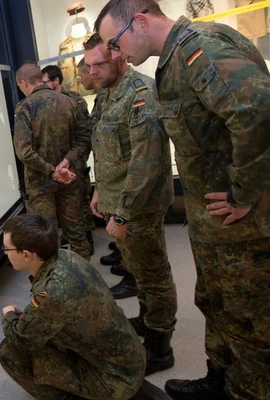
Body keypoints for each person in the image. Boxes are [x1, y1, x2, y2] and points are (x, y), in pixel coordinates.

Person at [95, 1, 270, 399]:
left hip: (246, 221)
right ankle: (221, 380)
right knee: (216, 302)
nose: (114, 54)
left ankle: (254, 393)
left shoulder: (200, 50)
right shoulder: (176, 58)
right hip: (213, 220)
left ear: (139, 22)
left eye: (114, 42)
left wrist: (243, 193)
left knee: (249, 320)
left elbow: (266, 114)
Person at [82, 32, 177, 375]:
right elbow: (107, 152)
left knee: (153, 275)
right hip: (118, 200)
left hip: (139, 207)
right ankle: (149, 321)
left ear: (120, 57)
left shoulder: (140, 94)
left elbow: (145, 162)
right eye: (88, 65)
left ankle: (160, 346)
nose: (91, 72)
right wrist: (99, 192)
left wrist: (121, 214)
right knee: (136, 270)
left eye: (99, 64)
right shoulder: (106, 96)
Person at [0, 213, 146, 399]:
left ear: (26, 255)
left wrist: (9, 315)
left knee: (9, 353)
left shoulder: (52, 293)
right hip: (129, 360)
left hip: (116, 380)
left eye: (6, 249)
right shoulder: (67, 256)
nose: (4, 252)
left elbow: (21, 340)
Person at [12, 62, 92, 259]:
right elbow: (83, 139)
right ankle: (84, 276)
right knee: (75, 230)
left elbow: (24, 151)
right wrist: (66, 162)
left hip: (40, 184)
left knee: (45, 236)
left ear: (23, 83)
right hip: (69, 177)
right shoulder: (69, 101)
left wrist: (51, 170)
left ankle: (54, 282)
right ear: (41, 79)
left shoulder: (25, 107)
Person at [41, 64, 95, 254]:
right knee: (69, 204)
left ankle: (87, 237)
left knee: (81, 198)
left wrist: (77, 158)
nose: (42, 85)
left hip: (75, 157)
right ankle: (77, 235)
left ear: (56, 80)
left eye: (45, 81)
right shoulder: (46, 101)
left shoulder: (74, 99)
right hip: (60, 160)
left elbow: (84, 131)